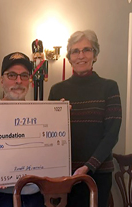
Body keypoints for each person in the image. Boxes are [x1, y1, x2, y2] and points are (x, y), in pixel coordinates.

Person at [48, 30, 122, 207]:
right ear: (69, 57)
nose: (81, 55)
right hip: (65, 175)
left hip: (98, 174)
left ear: (94, 55)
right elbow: (48, 134)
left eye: (87, 50)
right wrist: (59, 117)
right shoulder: (57, 90)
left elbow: (111, 134)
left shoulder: (109, 87)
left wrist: (89, 166)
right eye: (75, 51)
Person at [0, 52, 45, 207]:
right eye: (12, 75)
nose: (18, 81)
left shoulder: (43, 114)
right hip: (0, 197)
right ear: (1, 80)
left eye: (24, 75)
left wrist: (61, 116)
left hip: (34, 196)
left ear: (30, 81)